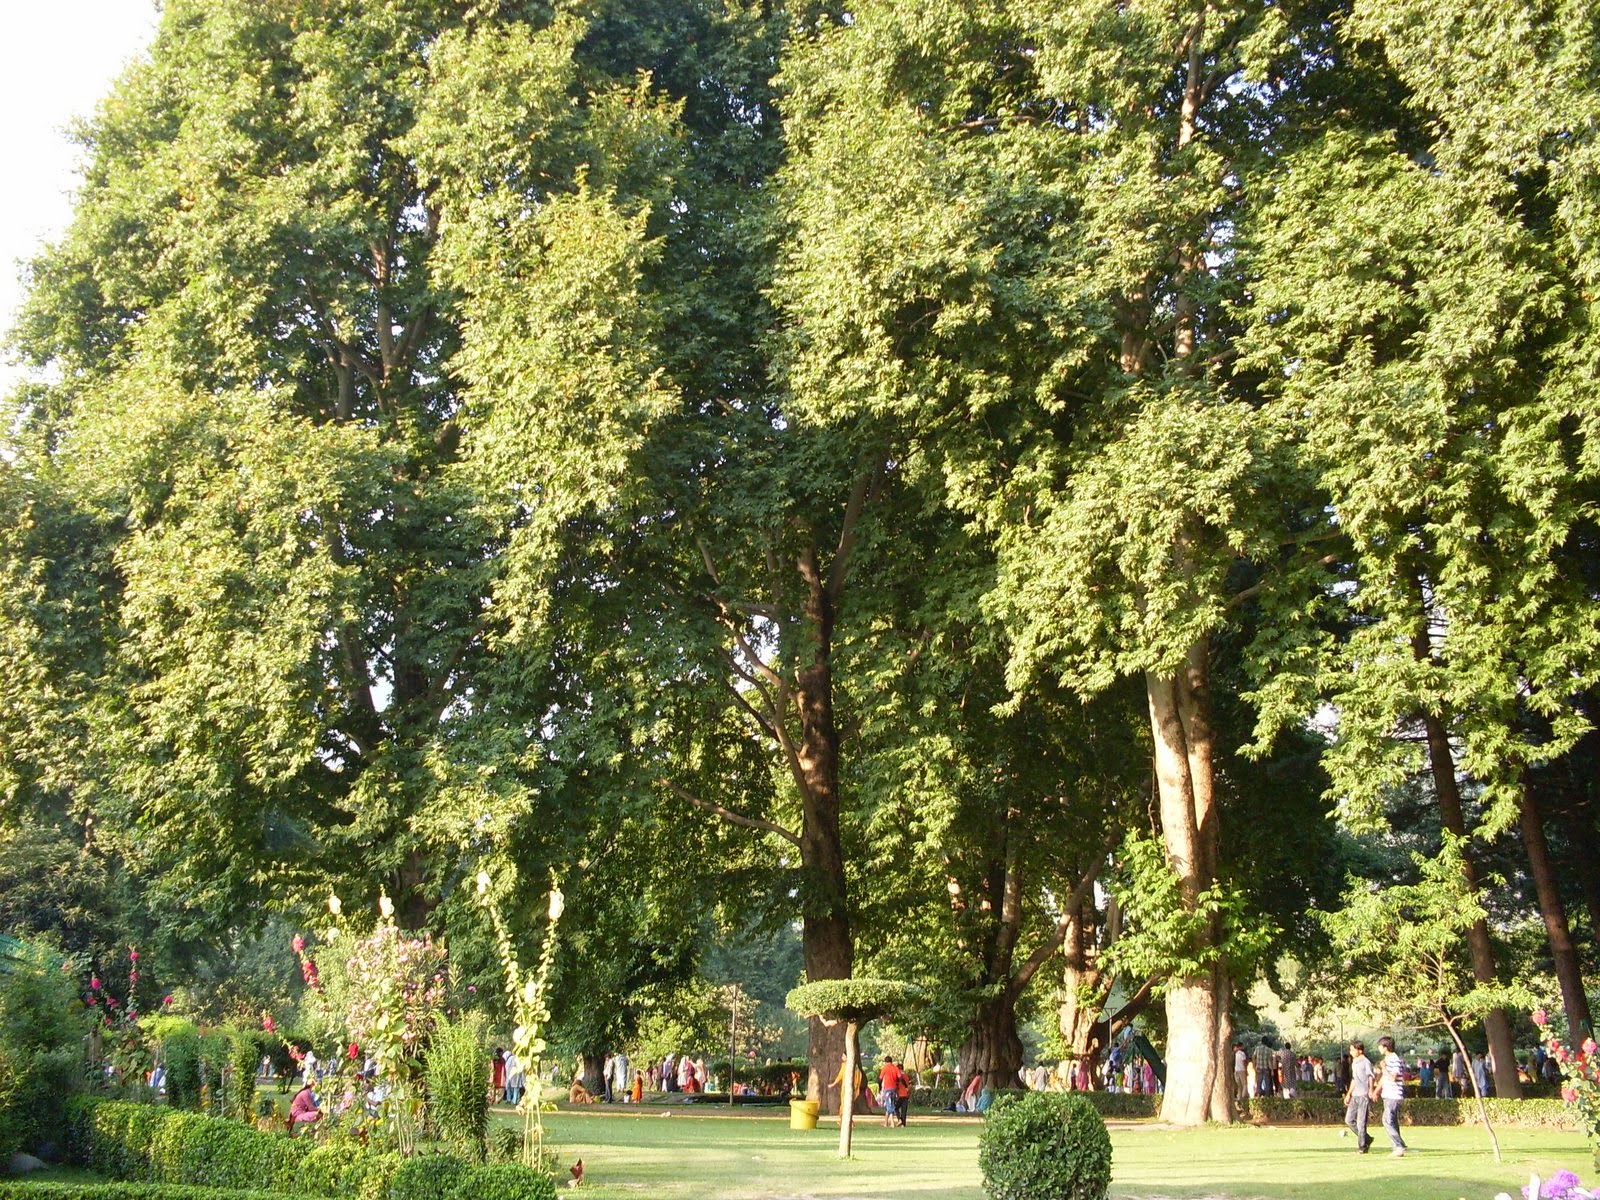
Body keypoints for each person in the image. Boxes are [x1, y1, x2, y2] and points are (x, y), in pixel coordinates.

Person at [1378, 1035, 1407, 1157]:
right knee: (1392, 1121)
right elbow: (1385, 1078)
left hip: (1393, 1094)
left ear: (1385, 1047)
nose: (1379, 1048)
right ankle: (1397, 1147)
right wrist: (1377, 1090)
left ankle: (1399, 1145)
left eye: (1380, 1046)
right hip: (1388, 1093)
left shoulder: (1393, 1059)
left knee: (1387, 1120)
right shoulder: (1388, 1059)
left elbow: (1393, 1077)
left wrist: (1384, 1068)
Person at [1343, 1039, 1372, 1154]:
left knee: (1361, 1122)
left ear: (1360, 1050)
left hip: (1363, 1095)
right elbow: (1354, 1079)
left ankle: (1362, 1146)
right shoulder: (1354, 1062)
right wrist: (1349, 1093)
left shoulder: (1366, 1062)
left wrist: (1371, 1090)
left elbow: (1370, 1076)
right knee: (1349, 1120)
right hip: (1355, 1095)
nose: (1351, 1052)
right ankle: (1367, 1139)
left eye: (1353, 1050)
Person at [878, 1055, 902, 1127]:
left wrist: (879, 1087)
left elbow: (880, 1078)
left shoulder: (885, 1068)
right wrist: (897, 1084)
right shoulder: (895, 1068)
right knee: (891, 1103)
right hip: (894, 1088)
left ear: (886, 1062)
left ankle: (893, 1122)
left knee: (889, 1105)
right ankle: (886, 1123)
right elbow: (900, 1077)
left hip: (887, 1088)